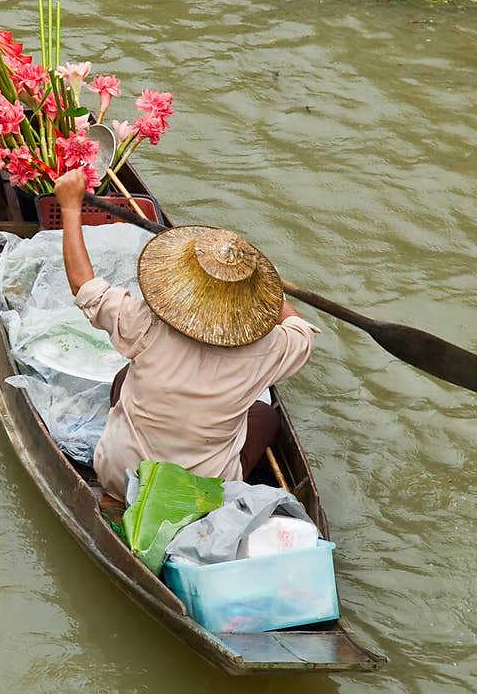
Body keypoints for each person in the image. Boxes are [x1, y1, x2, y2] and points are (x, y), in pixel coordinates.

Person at [53, 169, 320, 500]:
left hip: (121, 478)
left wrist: (68, 208)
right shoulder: (267, 349)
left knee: (125, 377)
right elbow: (302, 331)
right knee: (265, 416)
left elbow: (85, 288)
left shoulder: (147, 323)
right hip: (201, 494)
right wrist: (272, 293)